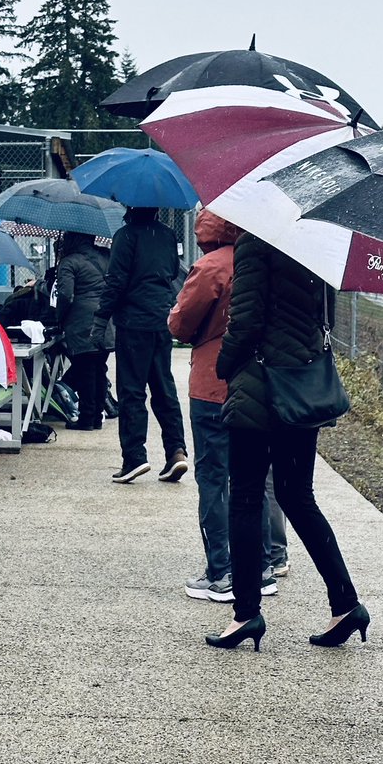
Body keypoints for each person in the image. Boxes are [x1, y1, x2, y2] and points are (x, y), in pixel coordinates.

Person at [209, 231, 367, 651]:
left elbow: (245, 321)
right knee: (297, 495)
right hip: (303, 386)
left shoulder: (257, 242)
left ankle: (245, 614)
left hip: (260, 389)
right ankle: (346, 602)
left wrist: (224, 367)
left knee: (244, 496)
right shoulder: (319, 242)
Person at [168, 211, 285, 601]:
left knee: (214, 479)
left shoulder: (210, 267)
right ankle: (263, 569)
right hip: (257, 385)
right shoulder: (268, 260)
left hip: (211, 385)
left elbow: (181, 325)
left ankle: (221, 572)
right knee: (252, 480)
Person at [92, 206, 187, 483]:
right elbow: (171, 271)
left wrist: (101, 318)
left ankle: (134, 458)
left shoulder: (125, 235)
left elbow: (116, 281)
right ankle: (176, 452)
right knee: (164, 388)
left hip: (133, 322)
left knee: (132, 390)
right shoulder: (168, 235)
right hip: (160, 319)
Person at [55, 231, 114, 430]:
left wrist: (59, 318)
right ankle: (96, 416)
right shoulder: (105, 256)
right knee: (99, 368)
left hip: (82, 322)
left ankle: (87, 418)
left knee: (86, 370)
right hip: (106, 321)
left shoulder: (69, 262)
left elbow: (65, 295)